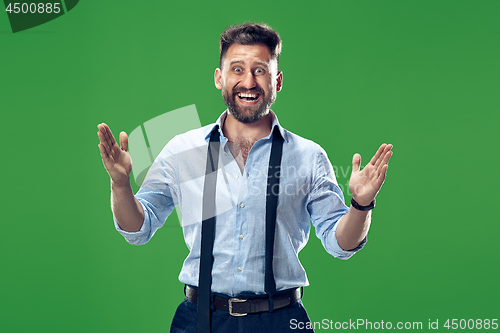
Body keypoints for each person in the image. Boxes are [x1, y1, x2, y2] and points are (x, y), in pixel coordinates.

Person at [97, 22, 393, 333]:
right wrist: (120, 184)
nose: (248, 81)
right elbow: (138, 228)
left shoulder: (308, 156)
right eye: (237, 69)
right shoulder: (183, 150)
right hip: (199, 320)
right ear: (219, 78)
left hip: (281, 320)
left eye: (260, 70)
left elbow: (339, 244)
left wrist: (362, 204)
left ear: (277, 81)